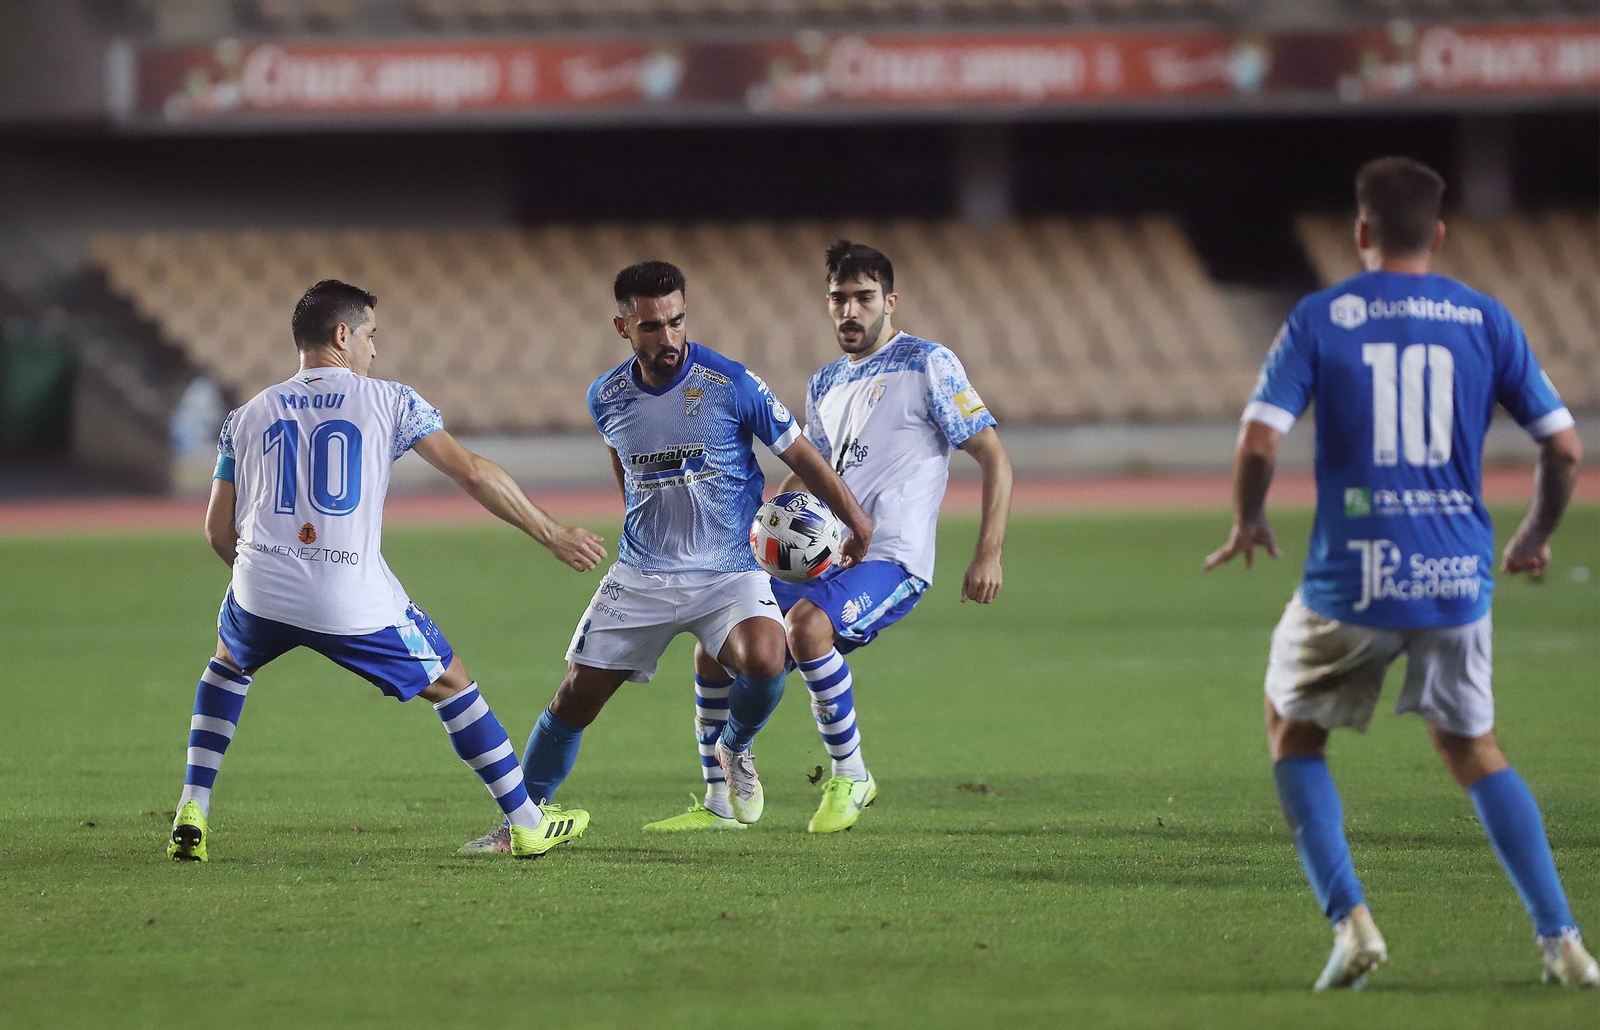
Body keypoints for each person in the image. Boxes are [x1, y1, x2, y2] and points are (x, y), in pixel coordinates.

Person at [1205, 157, 1596, 989]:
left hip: (1352, 576)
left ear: (1359, 232)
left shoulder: (1321, 316)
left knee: (1291, 728)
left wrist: (1248, 518)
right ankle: (1562, 940)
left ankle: (1352, 925)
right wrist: (1532, 535)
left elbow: (1260, 439)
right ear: (1440, 234)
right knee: (1474, 748)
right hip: (1458, 575)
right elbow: (1564, 446)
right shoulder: (1486, 318)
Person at [169, 279, 607, 863]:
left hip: (260, 588)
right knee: (452, 682)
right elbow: (473, 472)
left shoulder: (245, 417)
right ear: (342, 335)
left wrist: (273, 573)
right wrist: (552, 533)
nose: (375, 350)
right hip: (349, 596)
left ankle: (192, 807)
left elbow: (217, 532)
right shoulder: (390, 401)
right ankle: (528, 823)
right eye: (371, 336)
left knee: (227, 664)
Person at [459, 261, 871, 854]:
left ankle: (734, 746)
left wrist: (855, 522)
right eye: (652, 326)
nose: (669, 336)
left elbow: (802, 456)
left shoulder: (731, 383)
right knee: (575, 695)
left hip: (729, 568)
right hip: (643, 573)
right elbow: (624, 469)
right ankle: (524, 819)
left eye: (677, 321)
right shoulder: (606, 397)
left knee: (766, 656)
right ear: (623, 326)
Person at [642, 240, 1013, 835]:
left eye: (864, 298)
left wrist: (987, 553)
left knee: (808, 628)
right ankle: (719, 803)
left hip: (891, 558)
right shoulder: (825, 382)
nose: (850, 311)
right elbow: (815, 467)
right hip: (822, 558)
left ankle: (852, 774)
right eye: (839, 299)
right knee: (716, 642)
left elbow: (994, 456)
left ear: (890, 301)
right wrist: (759, 523)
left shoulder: (929, 364)